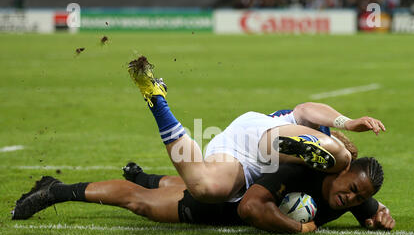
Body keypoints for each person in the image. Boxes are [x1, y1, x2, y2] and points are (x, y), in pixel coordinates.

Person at [126, 56, 386, 204]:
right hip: (266, 133)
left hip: (238, 154)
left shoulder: (337, 187)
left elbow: (360, 195)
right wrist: (346, 123)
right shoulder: (328, 145)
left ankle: (156, 98)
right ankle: (302, 147)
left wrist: (376, 209)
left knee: (206, 188)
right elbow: (306, 109)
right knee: (340, 157)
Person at [11, 156, 395, 234]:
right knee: (139, 203)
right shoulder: (300, 170)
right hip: (219, 204)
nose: (351, 198)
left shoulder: (358, 196)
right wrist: (295, 230)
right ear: (342, 170)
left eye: (359, 196)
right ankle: (56, 191)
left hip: (225, 194)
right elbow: (250, 208)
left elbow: (371, 209)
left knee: (161, 186)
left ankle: (142, 174)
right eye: (352, 188)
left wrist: (377, 217)